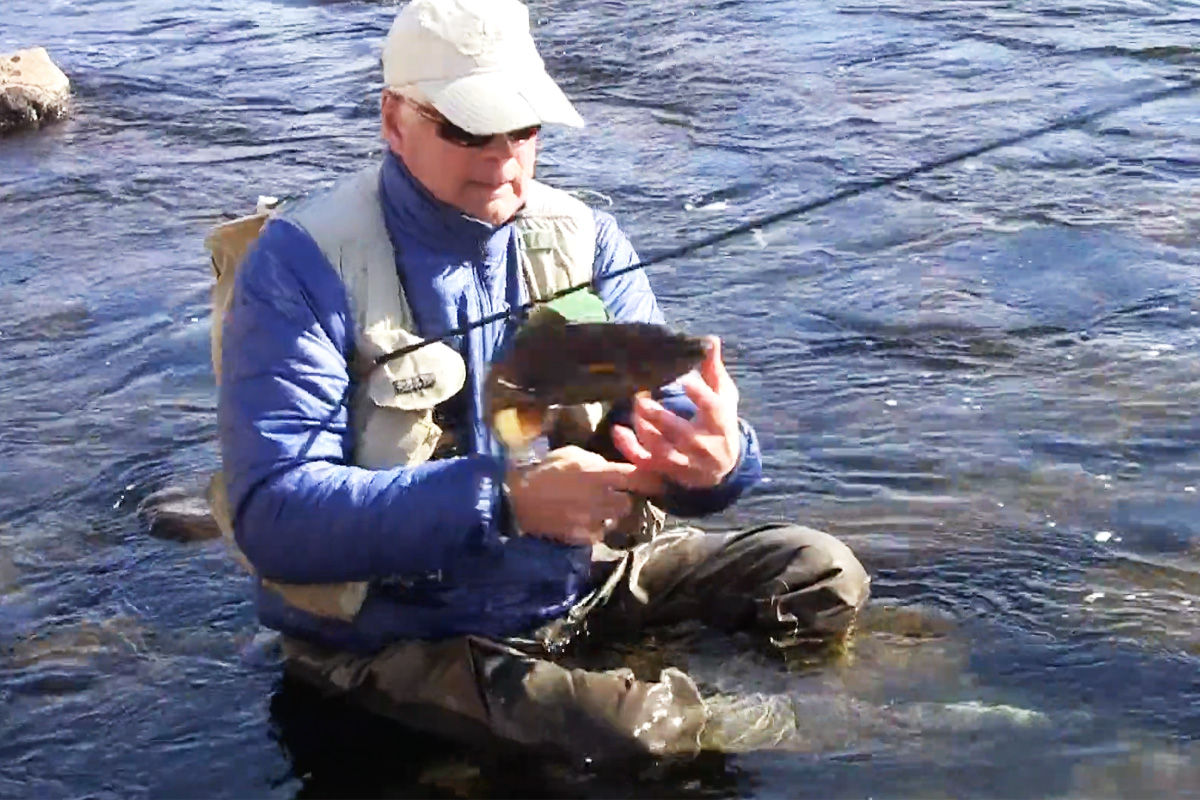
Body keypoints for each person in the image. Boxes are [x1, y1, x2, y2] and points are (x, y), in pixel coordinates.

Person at [206, 0, 870, 764]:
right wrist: (506, 499)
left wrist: (718, 460)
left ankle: (796, 715)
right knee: (635, 731)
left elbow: (664, 412)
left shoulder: (584, 238)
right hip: (397, 629)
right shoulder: (301, 264)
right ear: (394, 120)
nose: (503, 158)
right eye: (467, 130)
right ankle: (851, 737)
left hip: (576, 579)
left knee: (819, 573)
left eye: (523, 129)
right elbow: (274, 516)